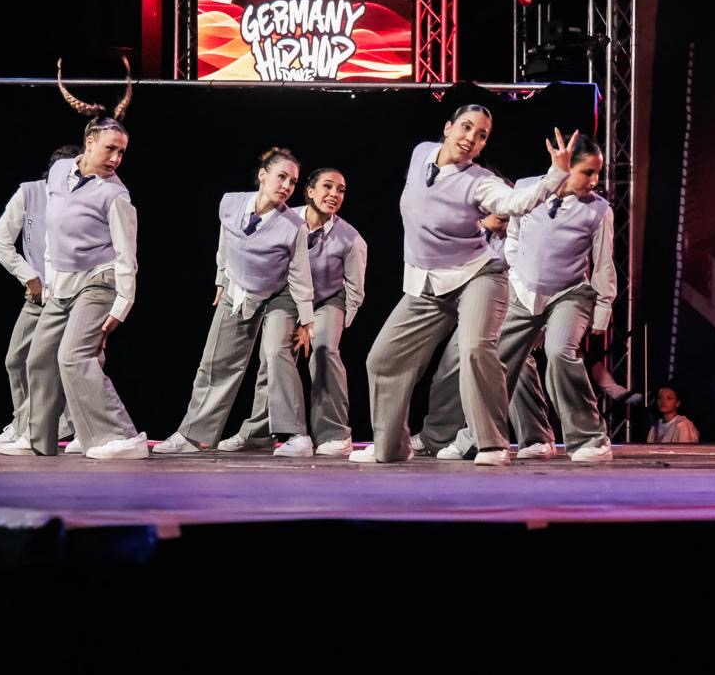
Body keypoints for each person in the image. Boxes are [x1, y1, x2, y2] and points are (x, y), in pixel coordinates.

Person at [356, 103, 577, 466]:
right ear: (448, 128)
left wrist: (554, 176)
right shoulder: (421, 154)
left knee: (475, 349)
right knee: (383, 359)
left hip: (479, 277)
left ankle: (491, 443)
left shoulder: (480, 182)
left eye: (481, 135)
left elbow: (514, 202)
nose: (471, 138)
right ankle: (391, 448)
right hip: (427, 282)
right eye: (466, 128)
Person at [420, 134, 617, 464]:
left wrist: (603, 311)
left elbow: (603, 264)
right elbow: (513, 237)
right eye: (587, 172)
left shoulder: (598, 210)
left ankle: (589, 437)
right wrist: (513, 281)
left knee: (559, 351)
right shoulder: (528, 188)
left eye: (598, 173)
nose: (594, 181)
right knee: (495, 361)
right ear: (565, 169)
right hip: (523, 290)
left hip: (569, 293)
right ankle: (477, 437)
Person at [2, 63, 146, 459]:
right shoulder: (60, 170)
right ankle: (39, 440)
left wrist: (122, 306)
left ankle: (119, 436)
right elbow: (51, 228)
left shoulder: (116, 195)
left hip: (98, 283)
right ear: (88, 142)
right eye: (110, 149)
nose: (116, 158)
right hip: (61, 284)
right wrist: (47, 275)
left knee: (74, 356)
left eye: (121, 152)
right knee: (38, 358)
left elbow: (125, 256)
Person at [152, 148, 317, 457]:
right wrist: (221, 278)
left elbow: (300, 276)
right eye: (281, 177)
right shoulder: (230, 202)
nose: (286, 186)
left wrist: (307, 322)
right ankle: (193, 436)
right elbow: (225, 242)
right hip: (238, 289)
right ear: (263, 175)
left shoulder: (294, 225)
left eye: (293, 182)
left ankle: (295, 435)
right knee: (215, 363)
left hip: (280, 295)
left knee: (275, 354)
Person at [217, 167, 368, 458]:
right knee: (273, 354)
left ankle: (335, 434)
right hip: (289, 297)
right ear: (309, 192)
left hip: (328, 301)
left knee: (324, 349)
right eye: (327, 187)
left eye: (340, 190)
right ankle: (258, 432)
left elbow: (355, 291)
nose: (334, 194)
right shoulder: (285, 221)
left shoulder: (351, 239)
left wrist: (326, 326)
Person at [0, 144, 81, 453]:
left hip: (71, 294)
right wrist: (29, 276)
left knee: (68, 362)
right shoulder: (31, 193)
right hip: (40, 296)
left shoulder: (85, 197)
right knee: (17, 359)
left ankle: (74, 426)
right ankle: (24, 423)